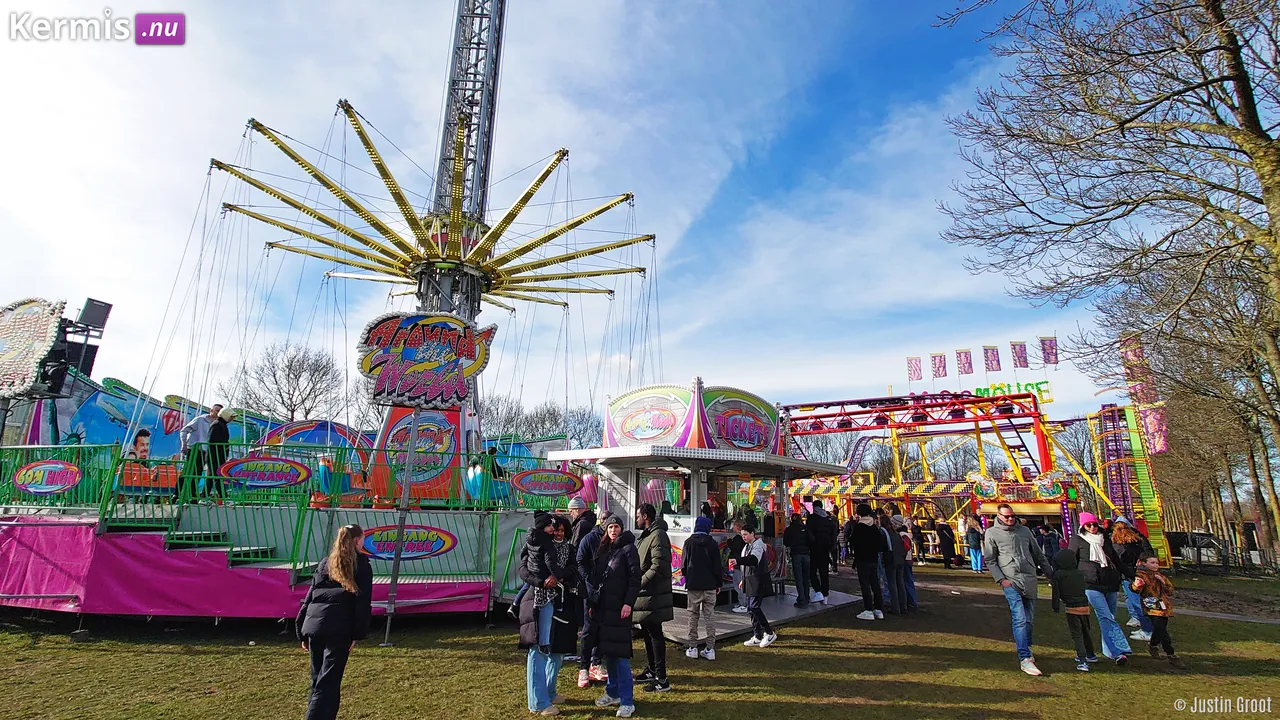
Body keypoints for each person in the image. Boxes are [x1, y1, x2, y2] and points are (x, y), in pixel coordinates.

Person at [296, 524, 373, 720]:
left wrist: (301, 629)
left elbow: (310, 597)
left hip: (315, 626)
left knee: (318, 681)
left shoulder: (325, 563)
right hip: (339, 628)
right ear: (357, 541)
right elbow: (362, 603)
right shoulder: (362, 565)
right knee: (328, 682)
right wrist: (358, 634)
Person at [519, 515, 579, 716]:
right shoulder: (538, 545)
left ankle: (547, 693)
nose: (557, 532)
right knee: (539, 648)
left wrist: (559, 577)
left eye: (561, 530)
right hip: (538, 600)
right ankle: (538, 702)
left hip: (557, 602)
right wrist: (541, 581)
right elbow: (523, 569)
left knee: (551, 649)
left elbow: (571, 569)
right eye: (554, 528)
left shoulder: (566, 548)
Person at [983, 503, 1052, 676]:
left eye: (1012, 516)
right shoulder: (991, 533)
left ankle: (1027, 646)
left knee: (1029, 619)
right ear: (999, 516)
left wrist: (1050, 574)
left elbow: (1038, 554)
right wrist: (1001, 579)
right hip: (1010, 579)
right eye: (1007, 516)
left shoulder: (1025, 531)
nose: (1010, 519)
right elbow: (990, 559)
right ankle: (1024, 657)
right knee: (1019, 617)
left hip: (1028, 577)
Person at [588, 514, 641, 718]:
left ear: (621, 528)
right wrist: (594, 603)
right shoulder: (605, 549)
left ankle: (627, 701)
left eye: (616, 526)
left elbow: (635, 579)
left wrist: (628, 603)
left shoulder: (629, 549)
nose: (613, 530)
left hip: (620, 609)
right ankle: (613, 692)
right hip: (604, 609)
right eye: (610, 527)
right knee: (608, 652)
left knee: (620, 656)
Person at [1067, 512, 1133, 664]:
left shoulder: (1105, 540)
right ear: (1083, 526)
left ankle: (1108, 650)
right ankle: (1119, 651)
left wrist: (1132, 575)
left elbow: (1116, 561)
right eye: (1088, 525)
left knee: (1110, 616)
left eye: (1095, 525)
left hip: (1110, 582)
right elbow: (1071, 561)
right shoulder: (1077, 540)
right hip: (1090, 583)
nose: (1092, 528)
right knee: (1105, 616)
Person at [633, 503, 674, 693]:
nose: (636, 519)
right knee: (648, 632)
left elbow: (658, 566)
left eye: (638, 516)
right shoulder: (648, 535)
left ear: (646, 516)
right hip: (645, 594)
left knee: (656, 634)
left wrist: (639, 582)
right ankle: (652, 670)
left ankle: (662, 678)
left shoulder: (658, 535)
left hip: (654, 594)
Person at [1132, 551, 1186, 668]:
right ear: (1144, 563)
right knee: (1162, 630)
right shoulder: (1141, 575)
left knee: (1160, 629)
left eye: (1157, 563)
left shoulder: (1160, 576)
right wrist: (1138, 585)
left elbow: (1170, 591)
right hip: (1151, 607)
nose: (1155, 565)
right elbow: (1135, 588)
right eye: (1152, 563)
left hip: (1163, 607)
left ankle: (1152, 645)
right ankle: (1171, 654)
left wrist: (1163, 583)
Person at [576, 512, 611, 688]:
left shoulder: (613, 539)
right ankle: (583, 667)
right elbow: (580, 561)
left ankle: (596, 664)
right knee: (589, 630)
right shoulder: (589, 538)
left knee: (603, 629)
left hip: (608, 592)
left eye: (611, 521)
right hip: (590, 591)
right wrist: (589, 579)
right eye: (605, 520)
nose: (608, 524)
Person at [681, 515, 722, 661]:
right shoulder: (713, 544)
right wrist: (718, 583)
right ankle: (710, 648)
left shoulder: (688, 543)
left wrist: (688, 576)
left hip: (693, 585)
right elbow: (718, 566)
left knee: (693, 616)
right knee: (709, 616)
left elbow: (683, 566)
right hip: (710, 584)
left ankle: (692, 647)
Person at [1050, 547, 1098, 672]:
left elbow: (1056, 593)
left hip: (1071, 607)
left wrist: (1055, 607)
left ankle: (1083, 661)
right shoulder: (1080, 573)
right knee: (1086, 631)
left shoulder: (1058, 575)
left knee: (1077, 635)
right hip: (1084, 605)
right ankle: (1091, 654)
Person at [1111, 516, 1155, 642]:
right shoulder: (1137, 538)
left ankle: (1148, 630)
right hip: (1140, 572)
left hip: (1129, 575)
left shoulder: (1118, 542)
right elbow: (1148, 551)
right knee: (1139, 600)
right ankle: (1145, 625)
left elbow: (1119, 560)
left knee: (1137, 602)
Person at [734, 524, 777, 647]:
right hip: (750, 579)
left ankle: (769, 632)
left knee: (754, 606)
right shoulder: (747, 546)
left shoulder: (758, 545)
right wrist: (743, 579)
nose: (744, 537)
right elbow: (746, 566)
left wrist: (738, 560)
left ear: (753, 533)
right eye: (742, 535)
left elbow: (753, 560)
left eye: (746, 534)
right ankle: (757, 635)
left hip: (758, 579)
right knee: (750, 608)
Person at [849, 504, 886, 620]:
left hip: (862, 559)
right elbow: (880, 543)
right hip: (873, 558)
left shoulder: (859, 527)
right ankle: (879, 609)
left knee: (865, 584)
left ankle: (868, 609)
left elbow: (853, 541)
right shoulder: (874, 527)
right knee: (875, 583)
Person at [178, 403, 222, 500]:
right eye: (216, 410)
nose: (218, 413)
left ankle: (191, 494)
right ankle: (177, 493)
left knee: (198, 473)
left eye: (220, 411)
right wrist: (184, 443)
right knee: (187, 471)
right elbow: (184, 430)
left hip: (206, 452)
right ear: (211, 410)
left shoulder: (218, 424)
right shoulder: (201, 419)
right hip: (195, 449)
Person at [807, 499, 836, 604]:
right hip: (826, 547)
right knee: (824, 572)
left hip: (814, 547)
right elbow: (834, 533)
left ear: (814, 507)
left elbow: (808, 532)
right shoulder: (828, 519)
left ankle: (818, 591)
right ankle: (825, 594)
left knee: (812, 571)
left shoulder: (812, 518)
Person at [783, 513, 813, 608]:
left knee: (798, 578)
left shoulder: (789, 530)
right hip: (806, 554)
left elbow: (786, 542)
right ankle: (806, 597)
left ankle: (802, 599)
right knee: (806, 577)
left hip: (796, 554)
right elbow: (812, 539)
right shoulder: (805, 529)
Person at [879, 514, 907, 615]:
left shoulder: (884, 533)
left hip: (891, 561)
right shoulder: (896, 534)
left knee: (892, 585)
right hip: (900, 560)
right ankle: (903, 607)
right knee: (900, 584)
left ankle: (895, 608)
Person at [892, 515, 918, 611]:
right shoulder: (904, 534)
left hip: (905, 560)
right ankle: (909, 601)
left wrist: (901, 554)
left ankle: (912, 602)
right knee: (905, 581)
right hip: (906, 559)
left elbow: (906, 547)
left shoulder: (902, 534)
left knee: (907, 581)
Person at [206, 407, 233, 500]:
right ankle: (222, 496)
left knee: (214, 476)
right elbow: (212, 440)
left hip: (219, 455)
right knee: (215, 475)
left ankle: (217, 495)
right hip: (214, 455)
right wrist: (223, 446)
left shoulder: (222, 425)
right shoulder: (217, 425)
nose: (231, 419)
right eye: (230, 417)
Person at [726, 520, 747, 613]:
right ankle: (742, 603)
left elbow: (735, 548)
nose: (732, 528)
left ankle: (743, 604)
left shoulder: (738, 538)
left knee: (738, 584)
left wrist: (729, 541)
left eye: (733, 526)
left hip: (737, 564)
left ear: (737, 527)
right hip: (740, 564)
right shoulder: (744, 538)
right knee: (739, 584)